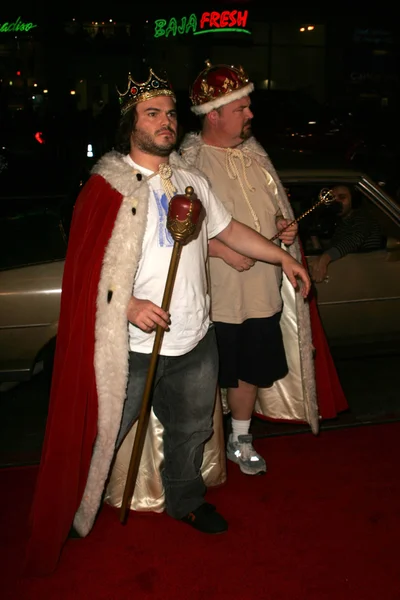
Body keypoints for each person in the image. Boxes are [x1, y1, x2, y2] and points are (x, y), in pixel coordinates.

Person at [24, 67, 311, 575]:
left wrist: (280, 258)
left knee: (192, 429)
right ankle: (78, 506)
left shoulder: (192, 180)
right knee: (104, 430)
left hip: (194, 338)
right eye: (152, 114)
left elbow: (231, 230)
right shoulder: (108, 188)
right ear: (128, 125)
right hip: (130, 344)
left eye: (170, 113)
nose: (165, 122)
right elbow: (90, 270)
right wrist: (130, 305)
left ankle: (186, 500)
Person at [180, 60, 348, 476]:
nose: (251, 114)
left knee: (249, 372)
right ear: (214, 114)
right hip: (215, 296)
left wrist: (281, 227)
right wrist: (219, 251)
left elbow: (270, 211)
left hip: (261, 291)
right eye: (241, 108)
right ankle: (200, 450)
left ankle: (240, 439)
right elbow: (176, 234)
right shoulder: (190, 163)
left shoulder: (256, 158)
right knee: (208, 379)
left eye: (249, 107)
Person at [310, 184, 386, 283]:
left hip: (368, 274)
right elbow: (334, 245)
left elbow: (354, 240)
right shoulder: (341, 223)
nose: (336, 202)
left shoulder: (363, 218)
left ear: (353, 201)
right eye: (332, 198)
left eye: (342, 197)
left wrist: (325, 258)